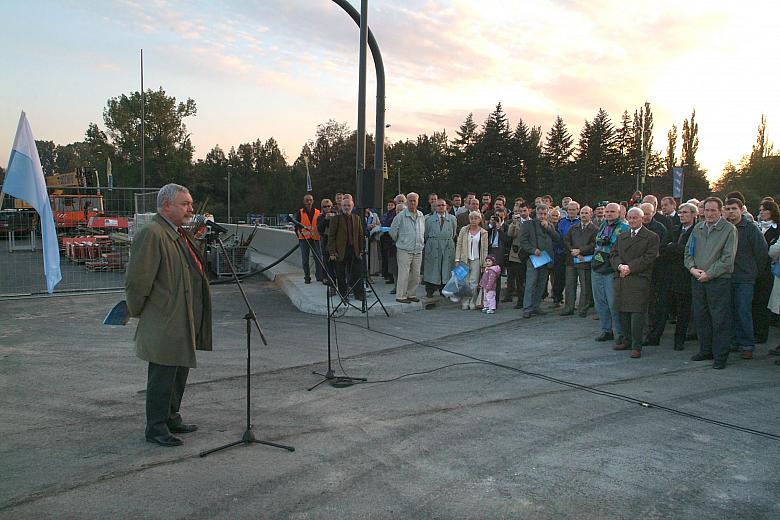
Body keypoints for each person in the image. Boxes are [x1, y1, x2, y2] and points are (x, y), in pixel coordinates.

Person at [125, 183, 212, 447]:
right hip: (164, 319)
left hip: (180, 317)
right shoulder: (152, 233)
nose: (190, 208)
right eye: (185, 204)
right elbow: (137, 282)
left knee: (178, 372)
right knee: (162, 376)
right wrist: (140, 311)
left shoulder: (176, 233)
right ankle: (156, 427)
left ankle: (171, 416)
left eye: (190, 203)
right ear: (166, 206)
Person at [684, 197, 737, 370]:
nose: (709, 214)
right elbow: (688, 252)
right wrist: (692, 268)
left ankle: (720, 356)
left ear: (720, 211)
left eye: (713, 210)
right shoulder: (698, 228)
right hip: (698, 279)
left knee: (720, 319)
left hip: (718, 281)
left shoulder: (729, 229)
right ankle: (705, 350)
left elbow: (727, 259)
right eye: (706, 210)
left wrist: (710, 273)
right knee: (701, 317)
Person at [610, 207, 660, 358]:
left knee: (637, 314)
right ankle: (627, 339)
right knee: (622, 311)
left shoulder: (651, 237)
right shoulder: (622, 236)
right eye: (630, 218)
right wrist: (620, 266)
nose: (632, 221)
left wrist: (630, 267)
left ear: (642, 218)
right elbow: (613, 254)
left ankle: (637, 345)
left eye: (635, 218)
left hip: (639, 278)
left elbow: (649, 257)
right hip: (622, 277)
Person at [723, 197, 767, 359]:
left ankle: (747, 344)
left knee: (743, 310)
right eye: (728, 209)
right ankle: (734, 341)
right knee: (730, 311)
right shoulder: (723, 228)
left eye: (734, 208)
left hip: (745, 278)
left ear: (741, 210)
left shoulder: (751, 228)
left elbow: (761, 253)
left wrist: (754, 273)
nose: (731, 212)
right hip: (726, 276)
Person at [591, 202, 630, 344]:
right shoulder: (603, 225)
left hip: (612, 268)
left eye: (612, 212)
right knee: (600, 301)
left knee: (613, 302)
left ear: (620, 213)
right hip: (598, 266)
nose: (608, 214)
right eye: (607, 212)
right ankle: (606, 330)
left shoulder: (624, 227)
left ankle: (620, 333)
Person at [520, 203, 560, 318]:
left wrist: (548, 227)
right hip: (534, 258)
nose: (542, 216)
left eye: (544, 214)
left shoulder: (550, 225)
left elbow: (557, 238)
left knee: (542, 284)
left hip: (546, 258)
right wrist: (532, 250)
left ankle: (536, 306)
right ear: (536, 213)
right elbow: (523, 240)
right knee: (531, 283)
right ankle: (527, 308)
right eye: (540, 214)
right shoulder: (528, 224)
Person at [667, 202, 698, 350]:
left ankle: (685, 337)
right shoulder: (675, 229)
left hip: (690, 273)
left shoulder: (697, 230)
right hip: (675, 273)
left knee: (687, 309)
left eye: (685, 212)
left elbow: (691, 251)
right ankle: (679, 338)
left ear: (694, 214)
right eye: (680, 212)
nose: (682, 215)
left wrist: (674, 248)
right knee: (680, 309)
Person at [328, 195, 365, 302]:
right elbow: (331, 236)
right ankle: (343, 295)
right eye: (344, 205)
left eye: (348, 205)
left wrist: (361, 250)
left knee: (357, 273)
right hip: (340, 251)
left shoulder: (356, 218)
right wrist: (332, 252)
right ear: (341, 207)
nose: (346, 207)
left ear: (352, 206)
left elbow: (360, 235)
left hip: (354, 251)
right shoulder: (336, 219)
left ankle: (359, 294)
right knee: (340, 275)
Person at [389, 192, 425, 303]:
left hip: (418, 249)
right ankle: (401, 296)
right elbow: (393, 232)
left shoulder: (421, 215)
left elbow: (423, 230)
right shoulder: (400, 216)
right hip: (404, 249)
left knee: (415, 275)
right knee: (403, 274)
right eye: (410, 200)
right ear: (406, 202)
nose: (412, 202)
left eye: (414, 200)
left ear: (418, 201)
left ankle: (411, 294)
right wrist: (402, 241)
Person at [562, 205, 597, 317]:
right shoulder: (574, 227)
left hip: (585, 261)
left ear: (591, 215)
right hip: (571, 260)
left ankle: (583, 309)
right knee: (569, 285)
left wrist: (581, 251)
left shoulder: (595, 229)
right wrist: (573, 250)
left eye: (586, 213)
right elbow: (566, 240)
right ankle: (568, 308)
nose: (583, 215)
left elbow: (594, 244)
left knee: (585, 286)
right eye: (582, 213)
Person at [753, 199, 779, 344]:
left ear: (772, 211)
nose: (761, 212)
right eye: (760, 210)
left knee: (764, 303)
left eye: (764, 210)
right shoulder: (756, 227)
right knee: (755, 302)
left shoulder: (777, 228)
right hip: (756, 269)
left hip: (770, 270)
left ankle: (761, 334)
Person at [423, 199, 457, 298]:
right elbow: (426, 234)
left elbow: (453, 233)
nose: (441, 207)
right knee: (432, 267)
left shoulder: (452, 218)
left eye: (443, 205)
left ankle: (444, 290)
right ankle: (430, 290)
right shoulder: (428, 219)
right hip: (433, 244)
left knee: (446, 267)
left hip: (447, 244)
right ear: (435, 207)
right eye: (438, 205)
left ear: (446, 206)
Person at [455, 210, 488, 310]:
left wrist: (484, 263)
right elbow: (459, 244)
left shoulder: (483, 232)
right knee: (464, 281)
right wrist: (457, 259)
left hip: (477, 259)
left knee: (473, 282)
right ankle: (464, 301)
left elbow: (485, 248)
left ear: (479, 220)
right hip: (464, 258)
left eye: (476, 218)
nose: (473, 220)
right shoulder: (464, 230)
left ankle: (472, 301)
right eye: (471, 218)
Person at [504, 202, 531, 307]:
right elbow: (510, 235)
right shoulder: (515, 222)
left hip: (528, 254)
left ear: (529, 211)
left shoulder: (532, 222)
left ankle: (527, 300)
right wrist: (514, 223)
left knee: (527, 278)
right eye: (520, 211)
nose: (523, 213)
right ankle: (520, 301)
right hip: (517, 254)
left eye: (524, 211)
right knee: (519, 279)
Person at [554, 202, 581, 307]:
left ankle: (572, 302)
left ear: (578, 210)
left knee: (572, 280)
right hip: (561, 252)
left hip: (575, 253)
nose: (571, 211)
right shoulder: (561, 222)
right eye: (569, 209)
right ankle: (557, 298)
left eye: (574, 210)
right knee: (559, 277)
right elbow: (556, 237)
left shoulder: (580, 222)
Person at [294, 193, 323, 284]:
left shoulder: (318, 212)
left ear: (313, 201)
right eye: (307, 200)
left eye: (310, 200)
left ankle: (319, 276)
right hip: (304, 239)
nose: (309, 202)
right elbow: (296, 226)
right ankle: (307, 277)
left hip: (315, 238)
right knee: (305, 260)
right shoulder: (300, 212)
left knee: (318, 258)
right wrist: (299, 237)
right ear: (304, 202)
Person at [487, 207, 509, 303]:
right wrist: (491, 225)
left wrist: (499, 228)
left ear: (504, 216)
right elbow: (484, 236)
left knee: (497, 276)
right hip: (491, 251)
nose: (498, 218)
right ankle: (487, 299)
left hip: (500, 252)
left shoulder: (507, 226)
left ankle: (495, 300)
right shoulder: (491, 226)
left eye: (500, 215)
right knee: (488, 275)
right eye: (496, 215)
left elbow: (507, 241)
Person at [317, 199, 337, 286]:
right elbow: (320, 230)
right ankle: (332, 285)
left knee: (338, 267)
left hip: (336, 245)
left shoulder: (336, 215)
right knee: (328, 267)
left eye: (329, 206)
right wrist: (326, 219)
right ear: (322, 208)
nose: (327, 208)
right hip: (326, 245)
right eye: (325, 207)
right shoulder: (320, 217)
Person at [379, 200, 397, 284]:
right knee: (386, 258)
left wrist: (384, 228)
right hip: (385, 239)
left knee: (391, 259)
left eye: (391, 205)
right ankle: (388, 275)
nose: (390, 206)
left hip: (390, 240)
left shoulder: (394, 215)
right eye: (388, 205)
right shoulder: (386, 215)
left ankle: (391, 277)